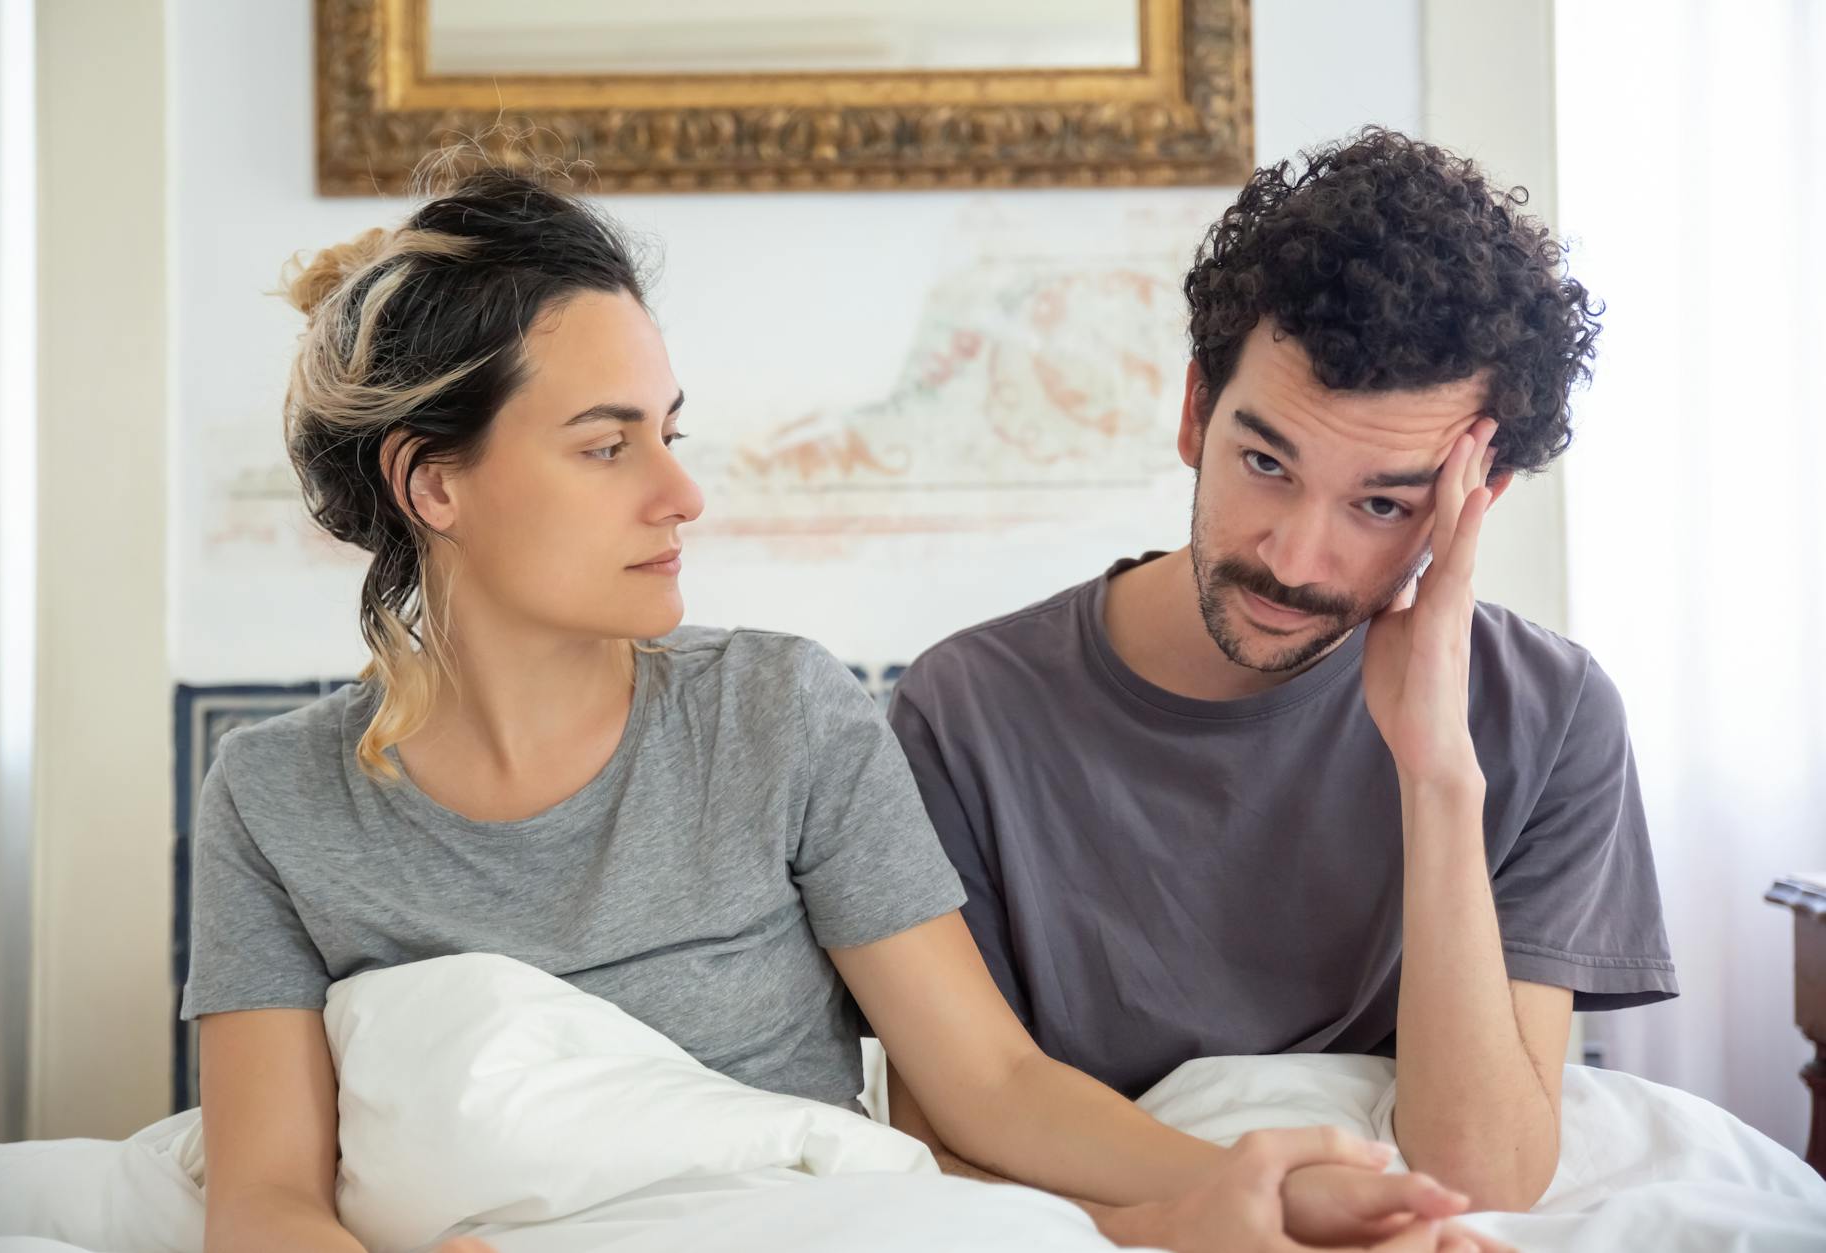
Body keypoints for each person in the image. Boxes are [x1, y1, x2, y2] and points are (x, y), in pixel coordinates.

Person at [183, 153, 1489, 1253]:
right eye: (605, 444)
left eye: (669, 433)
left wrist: (1264, 1190)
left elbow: (993, 1084)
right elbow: (264, 1201)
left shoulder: (779, 713)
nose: (680, 493)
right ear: (433, 484)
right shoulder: (276, 798)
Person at [885, 128, 1678, 1215]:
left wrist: (1437, 771)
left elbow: (1482, 1176)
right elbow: (945, 1144)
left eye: (1381, 503)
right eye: (1265, 462)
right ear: (1193, 412)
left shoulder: (1551, 715)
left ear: (1472, 500)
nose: (1297, 559)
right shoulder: (963, 712)